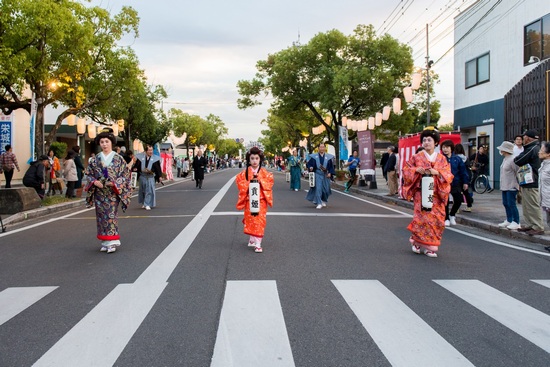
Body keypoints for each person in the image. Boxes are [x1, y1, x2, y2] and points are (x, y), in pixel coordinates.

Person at [402, 128, 453, 258]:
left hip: (436, 193)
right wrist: (415, 170)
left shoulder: (441, 158)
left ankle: (431, 246)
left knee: (436, 219)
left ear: (436, 142)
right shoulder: (417, 157)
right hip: (421, 192)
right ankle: (418, 243)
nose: (426, 142)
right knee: (421, 218)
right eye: (424, 140)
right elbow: (406, 169)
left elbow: (448, 174)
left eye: (429, 140)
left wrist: (437, 172)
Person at [84, 129, 131, 253]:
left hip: (112, 192)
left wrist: (115, 183)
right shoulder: (94, 159)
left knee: (111, 215)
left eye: (107, 141)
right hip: (99, 192)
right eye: (102, 142)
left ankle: (112, 241)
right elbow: (88, 174)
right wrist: (94, 182)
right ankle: (104, 241)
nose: (104, 144)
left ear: (112, 143)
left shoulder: (118, 159)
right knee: (100, 217)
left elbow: (125, 175)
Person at [235, 146, 274, 253]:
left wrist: (260, 181)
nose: (254, 161)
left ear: (260, 159)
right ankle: (252, 238)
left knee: (259, 220)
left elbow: (270, 182)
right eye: (252, 158)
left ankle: (258, 243)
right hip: (249, 200)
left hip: (261, 200)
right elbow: (239, 181)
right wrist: (249, 183)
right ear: (249, 159)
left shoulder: (265, 173)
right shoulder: (245, 172)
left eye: (256, 158)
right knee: (251, 219)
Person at [514, 129, 545, 236]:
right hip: (529, 180)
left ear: (528, 138)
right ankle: (530, 224)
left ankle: (537, 226)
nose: (522, 139)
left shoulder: (531, 148)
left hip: (532, 180)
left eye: (524, 137)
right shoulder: (535, 148)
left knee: (532, 204)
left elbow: (518, 160)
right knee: (527, 204)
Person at [440, 139, 469, 226]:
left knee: (458, 200)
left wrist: (465, 182)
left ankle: (452, 214)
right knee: (445, 201)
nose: (445, 149)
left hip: (455, 182)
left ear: (451, 148)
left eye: (447, 147)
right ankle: (446, 218)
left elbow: (463, 171)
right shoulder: (440, 159)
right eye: (443, 147)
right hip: (444, 183)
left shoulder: (457, 159)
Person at [496, 141, 520, 230]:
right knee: (505, 203)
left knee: (511, 203)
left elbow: (517, 172)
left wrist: (518, 184)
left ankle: (516, 221)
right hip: (505, 185)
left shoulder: (513, 159)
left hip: (512, 185)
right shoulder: (505, 159)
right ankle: (509, 219)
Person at [306, 143, 335, 209]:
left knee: (326, 189)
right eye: (320, 147)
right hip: (318, 174)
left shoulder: (329, 157)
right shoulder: (314, 157)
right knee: (318, 188)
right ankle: (318, 202)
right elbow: (309, 164)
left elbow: (331, 167)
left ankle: (322, 200)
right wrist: (310, 167)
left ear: (325, 148)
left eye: (323, 147)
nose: (322, 148)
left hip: (326, 174)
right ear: (318, 148)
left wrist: (330, 173)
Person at [136, 145, 162, 210]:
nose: (151, 151)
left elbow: (158, 168)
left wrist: (160, 176)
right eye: (149, 150)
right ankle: (144, 203)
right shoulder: (141, 158)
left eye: (151, 150)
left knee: (149, 190)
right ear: (146, 151)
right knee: (143, 190)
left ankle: (147, 204)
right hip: (142, 176)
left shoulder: (155, 159)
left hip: (150, 176)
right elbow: (137, 166)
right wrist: (135, 169)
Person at [453, 144, 473, 212]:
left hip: (457, 177)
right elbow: (468, 167)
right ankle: (469, 206)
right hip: (465, 177)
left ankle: (457, 208)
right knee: (466, 192)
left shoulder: (455, 158)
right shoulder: (465, 158)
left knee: (456, 193)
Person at [538, 141, 550, 231]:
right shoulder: (544, 164)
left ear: (548, 154)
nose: (539, 152)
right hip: (546, 199)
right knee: (548, 221)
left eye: (541, 150)